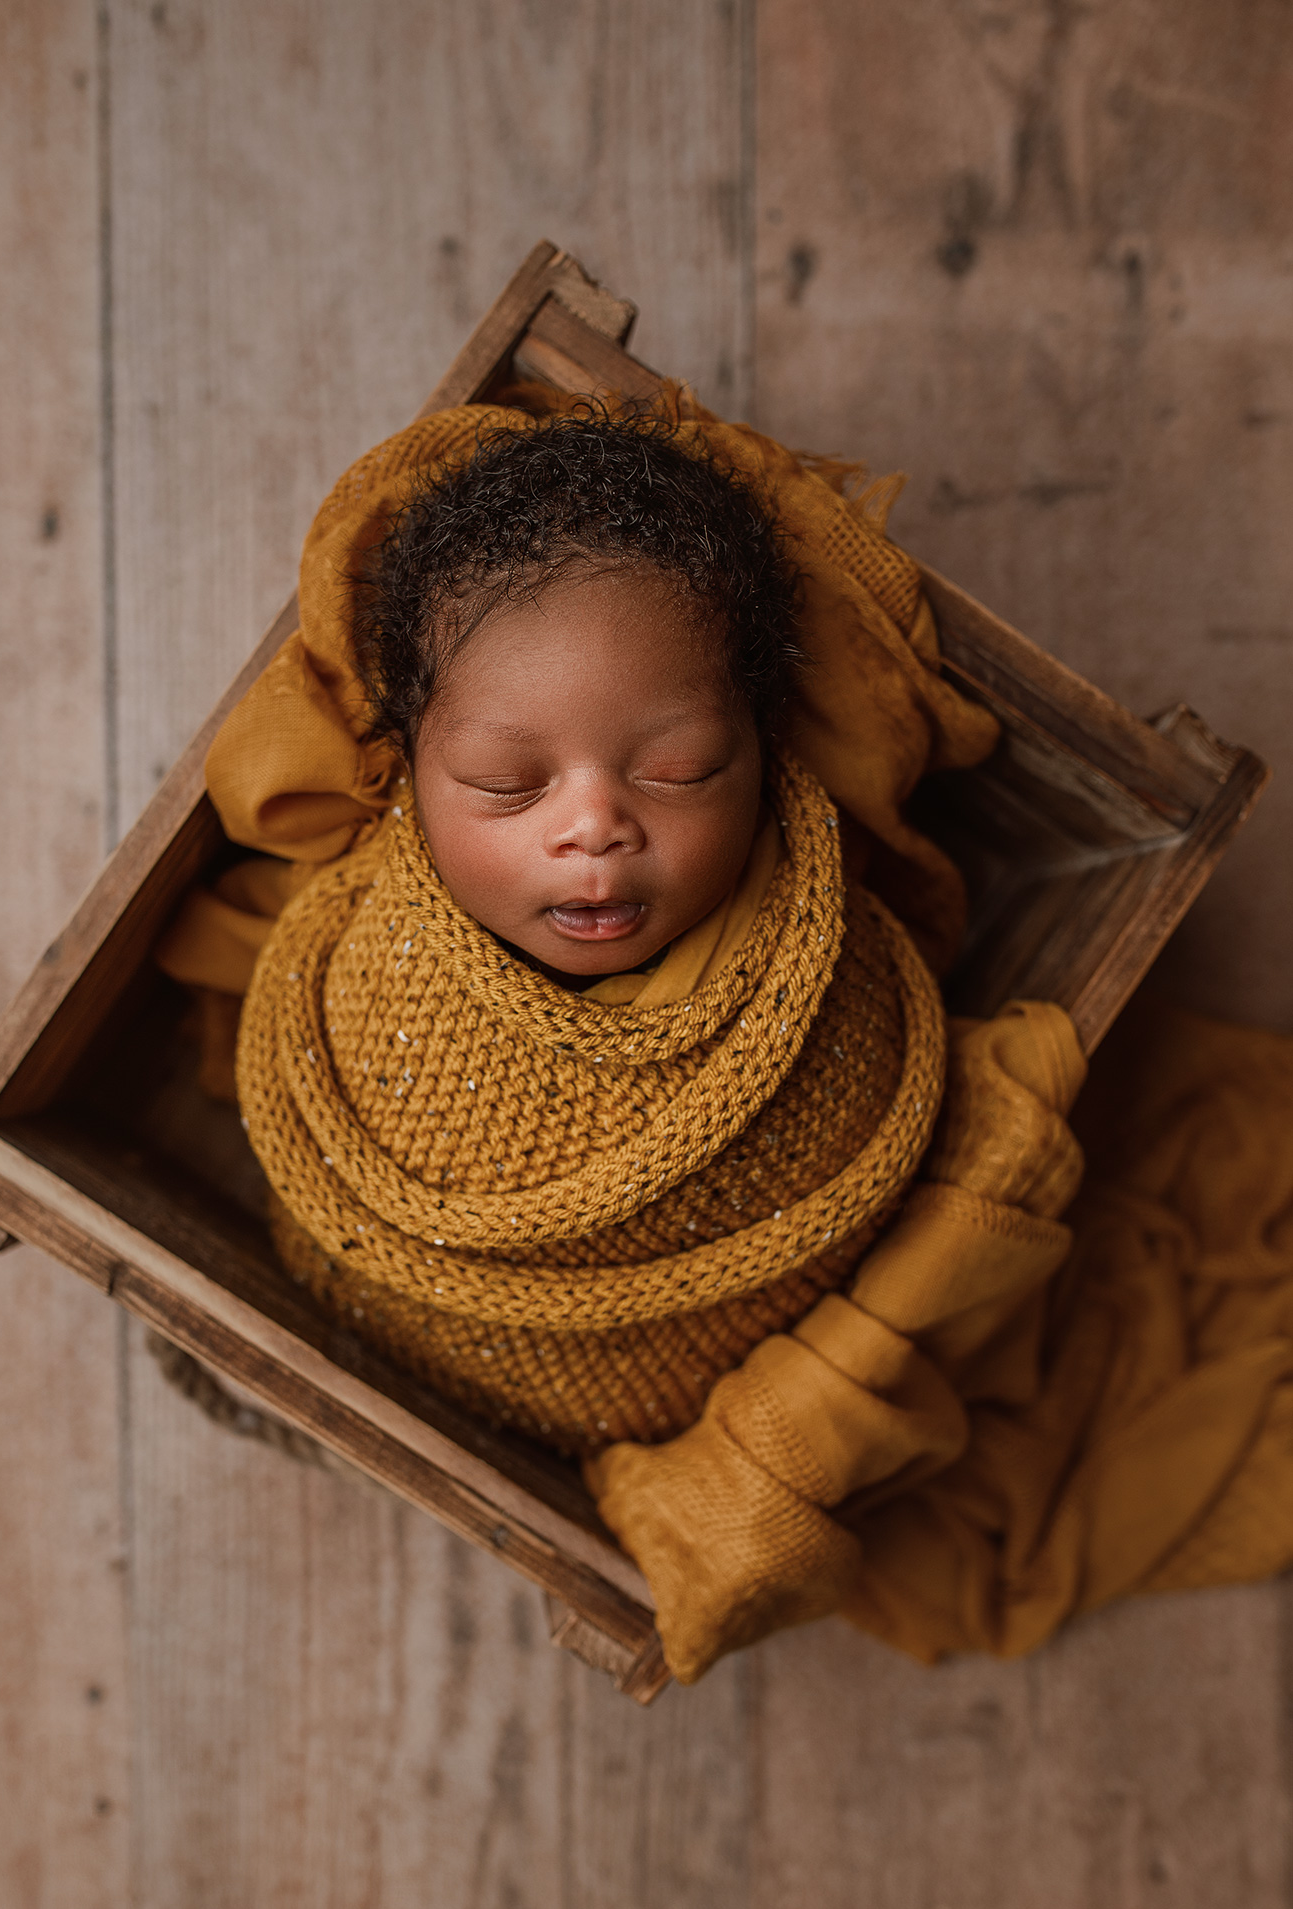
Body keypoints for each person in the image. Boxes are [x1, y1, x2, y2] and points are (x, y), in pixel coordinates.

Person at [158, 388, 1293, 1686]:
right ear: (408, 772)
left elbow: (890, 1221)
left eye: (682, 768)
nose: (592, 827)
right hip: (412, 1320)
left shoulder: (843, 988)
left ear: (765, 755)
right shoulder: (345, 965)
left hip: (703, 1360)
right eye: (506, 785)